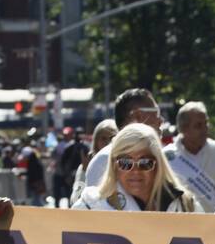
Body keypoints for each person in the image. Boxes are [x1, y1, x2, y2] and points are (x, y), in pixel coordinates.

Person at [73, 123, 201, 213]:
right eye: (125, 162)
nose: (135, 171)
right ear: (114, 165)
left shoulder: (186, 206)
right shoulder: (90, 206)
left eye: (145, 162)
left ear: (158, 165)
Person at [79, 89, 165, 194]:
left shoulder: (157, 155)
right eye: (157, 113)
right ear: (138, 115)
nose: (161, 120)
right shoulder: (105, 160)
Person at [164, 101, 215, 213]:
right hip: (182, 225)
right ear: (183, 128)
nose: (205, 129)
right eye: (199, 125)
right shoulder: (167, 157)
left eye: (206, 123)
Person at [71, 119, 117, 205]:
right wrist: (84, 171)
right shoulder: (87, 164)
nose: (107, 143)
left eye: (111, 138)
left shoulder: (125, 165)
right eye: (103, 138)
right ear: (96, 141)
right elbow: (75, 199)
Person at [54, 127, 88, 206]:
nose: (80, 136)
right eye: (78, 134)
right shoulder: (69, 147)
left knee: (81, 194)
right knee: (71, 195)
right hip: (71, 175)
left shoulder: (85, 147)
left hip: (82, 174)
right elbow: (63, 162)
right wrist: (66, 175)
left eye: (81, 134)